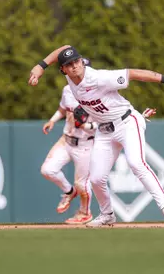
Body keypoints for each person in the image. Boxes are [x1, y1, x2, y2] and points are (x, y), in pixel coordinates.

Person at [29, 45, 164, 227]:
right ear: (63, 70)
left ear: (81, 61)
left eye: (76, 61)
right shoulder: (70, 78)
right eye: (69, 64)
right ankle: (107, 214)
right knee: (96, 178)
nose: (74, 66)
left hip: (127, 122)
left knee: (136, 163)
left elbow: (133, 73)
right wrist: (41, 66)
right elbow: (64, 49)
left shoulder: (99, 78)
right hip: (104, 130)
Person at [40, 58, 95, 225]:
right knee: (47, 170)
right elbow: (63, 109)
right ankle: (68, 191)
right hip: (66, 140)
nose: (75, 71)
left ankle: (85, 213)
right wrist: (52, 120)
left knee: (82, 184)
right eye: (71, 68)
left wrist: (85, 125)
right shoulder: (67, 89)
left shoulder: (97, 92)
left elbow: (105, 122)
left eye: (79, 68)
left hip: (85, 143)